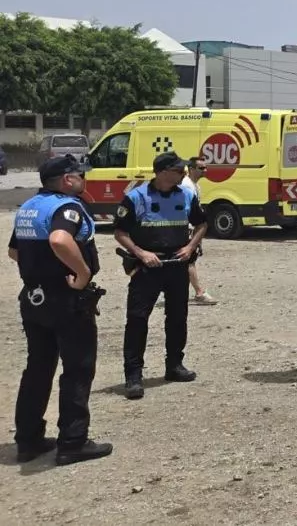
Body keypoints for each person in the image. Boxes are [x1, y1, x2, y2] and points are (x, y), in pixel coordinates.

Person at [8, 155, 113, 465]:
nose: (84, 179)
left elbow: (14, 252)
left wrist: (41, 269)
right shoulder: (67, 207)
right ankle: (73, 442)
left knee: (38, 368)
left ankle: (28, 440)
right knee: (78, 369)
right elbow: (59, 239)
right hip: (66, 300)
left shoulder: (29, 207)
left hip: (34, 298)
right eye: (81, 175)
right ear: (68, 179)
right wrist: (82, 273)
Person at [115, 151, 207, 399]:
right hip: (147, 267)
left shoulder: (186, 194)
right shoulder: (136, 197)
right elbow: (120, 232)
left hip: (176, 266)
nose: (184, 173)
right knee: (137, 320)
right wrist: (141, 252)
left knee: (177, 318)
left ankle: (174, 365)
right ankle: (133, 376)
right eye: (179, 170)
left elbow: (202, 224)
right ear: (164, 172)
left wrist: (190, 247)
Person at [181, 157, 216, 304]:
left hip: (191, 227)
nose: (205, 170)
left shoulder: (195, 186)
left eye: (205, 167)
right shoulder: (186, 186)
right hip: (186, 228)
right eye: (201, 168)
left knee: (185, 261)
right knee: (188, 260)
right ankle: (199, 293)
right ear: (191, 169)